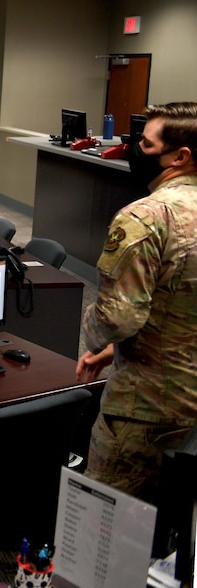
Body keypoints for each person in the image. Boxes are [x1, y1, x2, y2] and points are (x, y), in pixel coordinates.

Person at [76, 102, 197, 502]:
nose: (134, 150)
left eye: (145, 144)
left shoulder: (146, 217)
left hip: (146, 408)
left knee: (105, 529)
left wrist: (96, 334)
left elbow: (117, 317)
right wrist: (113, 351)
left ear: (179, 157)